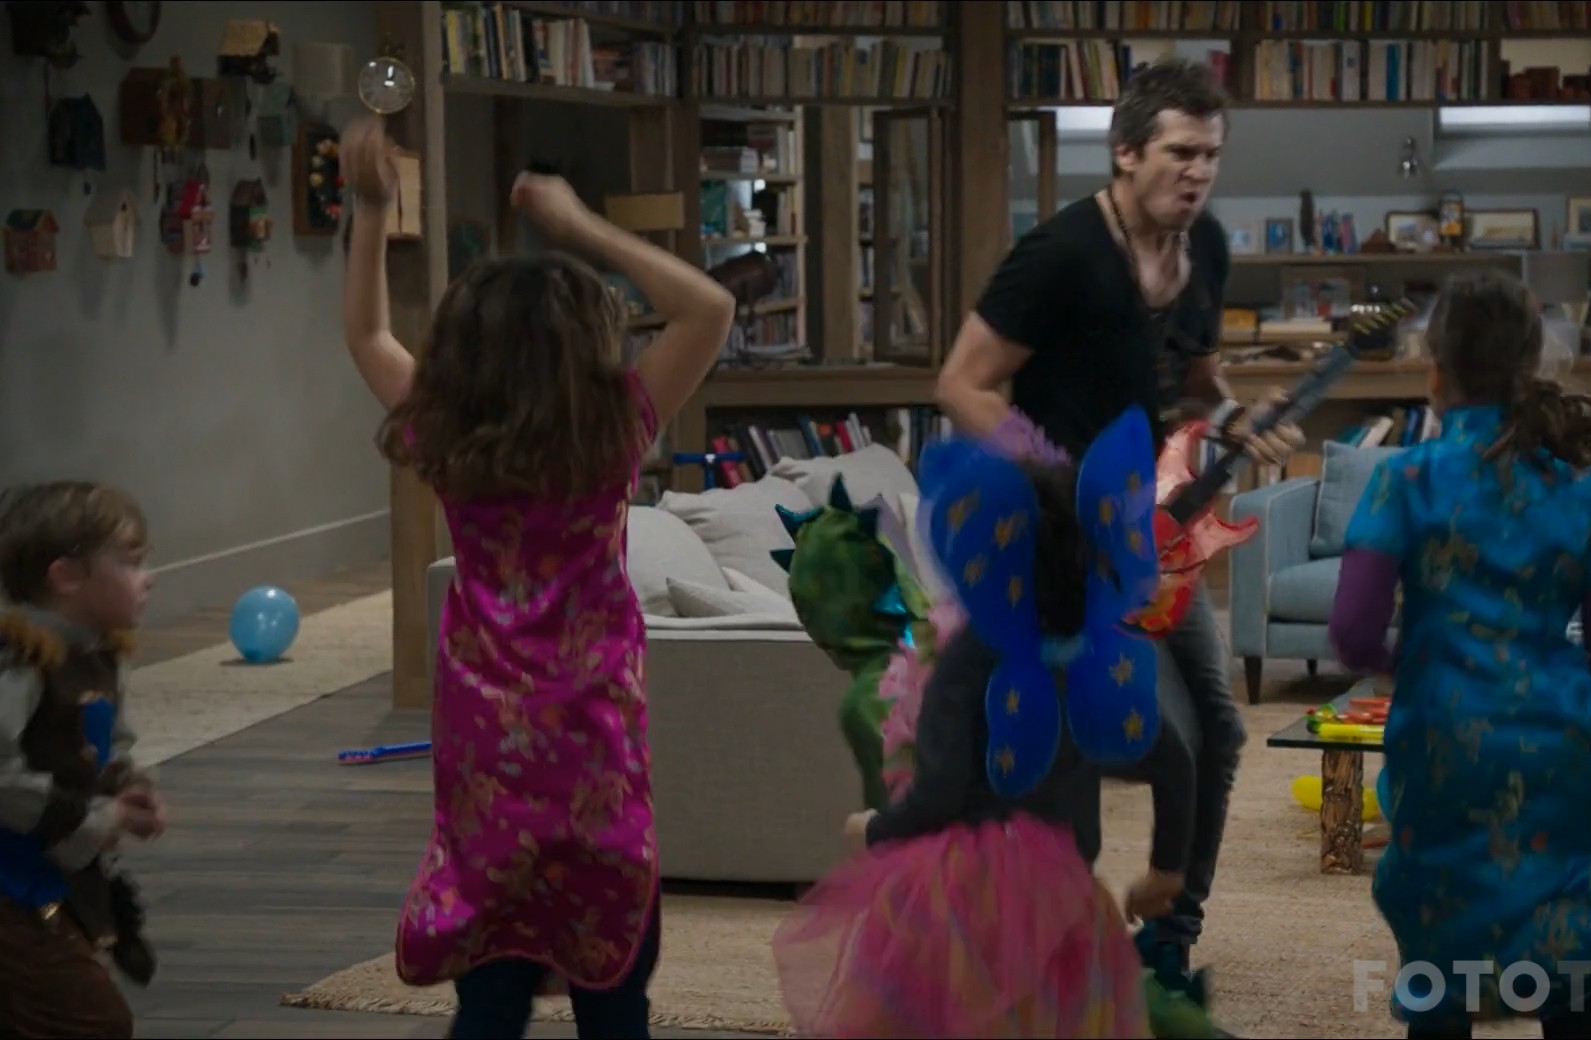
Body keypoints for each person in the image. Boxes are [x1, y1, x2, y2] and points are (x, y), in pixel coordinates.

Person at [336, 116, 737, 1039]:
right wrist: (581, 225)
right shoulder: (614, 428)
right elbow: (708, 309)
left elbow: (367, 334)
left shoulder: (448, 433)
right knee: (614, 988)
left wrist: (372, 210)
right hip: (595, 739)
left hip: (484, 740)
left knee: (491, 993)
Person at [934, 53, 1303, 971]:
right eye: (1180, 153)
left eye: (1210, 155)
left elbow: (1194, 376)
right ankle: (1050, 940)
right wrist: (1058, 481)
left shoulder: (1205, 247)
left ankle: (1170, 936)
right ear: (1127, 153)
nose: (1198, 172)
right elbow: (962, 384)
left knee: (1216, 729)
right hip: (1056, 545)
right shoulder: (1059, 255)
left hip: (1156, 534)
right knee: (1077, 745)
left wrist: (1235, 417)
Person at [771, 407, 1197, 1038]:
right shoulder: (1097, 657)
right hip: (1066, 894)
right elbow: (1173, 762)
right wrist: (1166, 869)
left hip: (963, 898)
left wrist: (875, 830)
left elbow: (940, 793)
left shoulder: (972, 655)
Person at [1327, 270, 1591, 1039]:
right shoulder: (1582, 488)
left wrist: (1426, 667)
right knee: (1567, 951)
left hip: (1444, 739)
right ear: (1530, 365)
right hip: (1561, 742)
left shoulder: (1405, 479)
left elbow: (1353, 633)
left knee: (1441, 965)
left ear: (1435, 371)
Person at [0, 480, 166, 1039]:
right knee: (90, 1021)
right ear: (67, 577)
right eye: (132, 562)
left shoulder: (98, 653)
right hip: (12, 884)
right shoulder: (20, 662)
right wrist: (97, 818)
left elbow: (110, 742)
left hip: (52, 877)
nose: (149, 577)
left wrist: (128, 787)